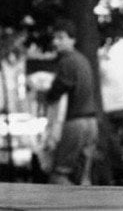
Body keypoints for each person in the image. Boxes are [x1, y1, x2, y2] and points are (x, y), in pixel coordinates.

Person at [43, 17, 99, 185]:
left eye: (61, 38)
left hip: (76, 123)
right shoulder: (83, 60)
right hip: (92, 123)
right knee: (83, 177)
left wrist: (47, 95)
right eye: (55, 38)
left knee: (58, 175)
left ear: (72, 39)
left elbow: (56, 92)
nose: (56, 42)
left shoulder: (67, 62)